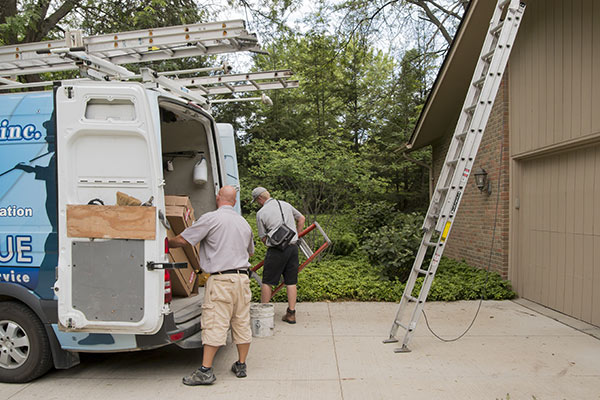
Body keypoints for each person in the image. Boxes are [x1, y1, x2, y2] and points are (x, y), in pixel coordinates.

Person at [169, 185, 254, 386]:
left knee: (215, 321)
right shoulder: (243, 223)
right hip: (242, 279)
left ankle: (205, 371)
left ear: (218, 198)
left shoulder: (211, 218)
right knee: (241, 321)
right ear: (234, 201)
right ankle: (241, 365)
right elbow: (250, 252)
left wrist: (165, 243)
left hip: (221, 280)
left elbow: (184, 240)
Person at [252, 187, 305, 324]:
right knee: (291, 281)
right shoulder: (285, 204)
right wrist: (296, 235)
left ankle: (264, 315)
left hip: (276, 250)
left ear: (259, 199)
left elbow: (263, 237)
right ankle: (291, 314)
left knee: (267, 281)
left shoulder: (261, 213)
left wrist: (270, 242)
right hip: (292, 247)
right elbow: (301, 218)